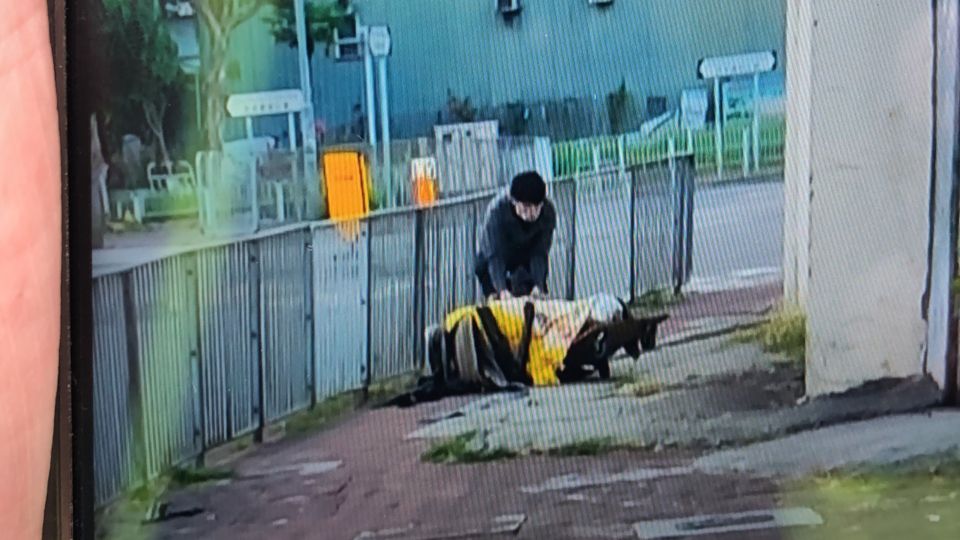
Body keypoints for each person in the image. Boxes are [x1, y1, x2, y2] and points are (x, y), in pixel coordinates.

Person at [475, 171, 557, 301]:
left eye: (537, 207)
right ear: (514, 202)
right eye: (526, 207)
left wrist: (538, 285)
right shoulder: (496, 212)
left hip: (525, 254)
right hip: (495, 254)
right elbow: (495, 256)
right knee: (496, 296)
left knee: (535, 296)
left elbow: (540, 253)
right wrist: (501, 290)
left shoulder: (548, 212)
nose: (532, 213)